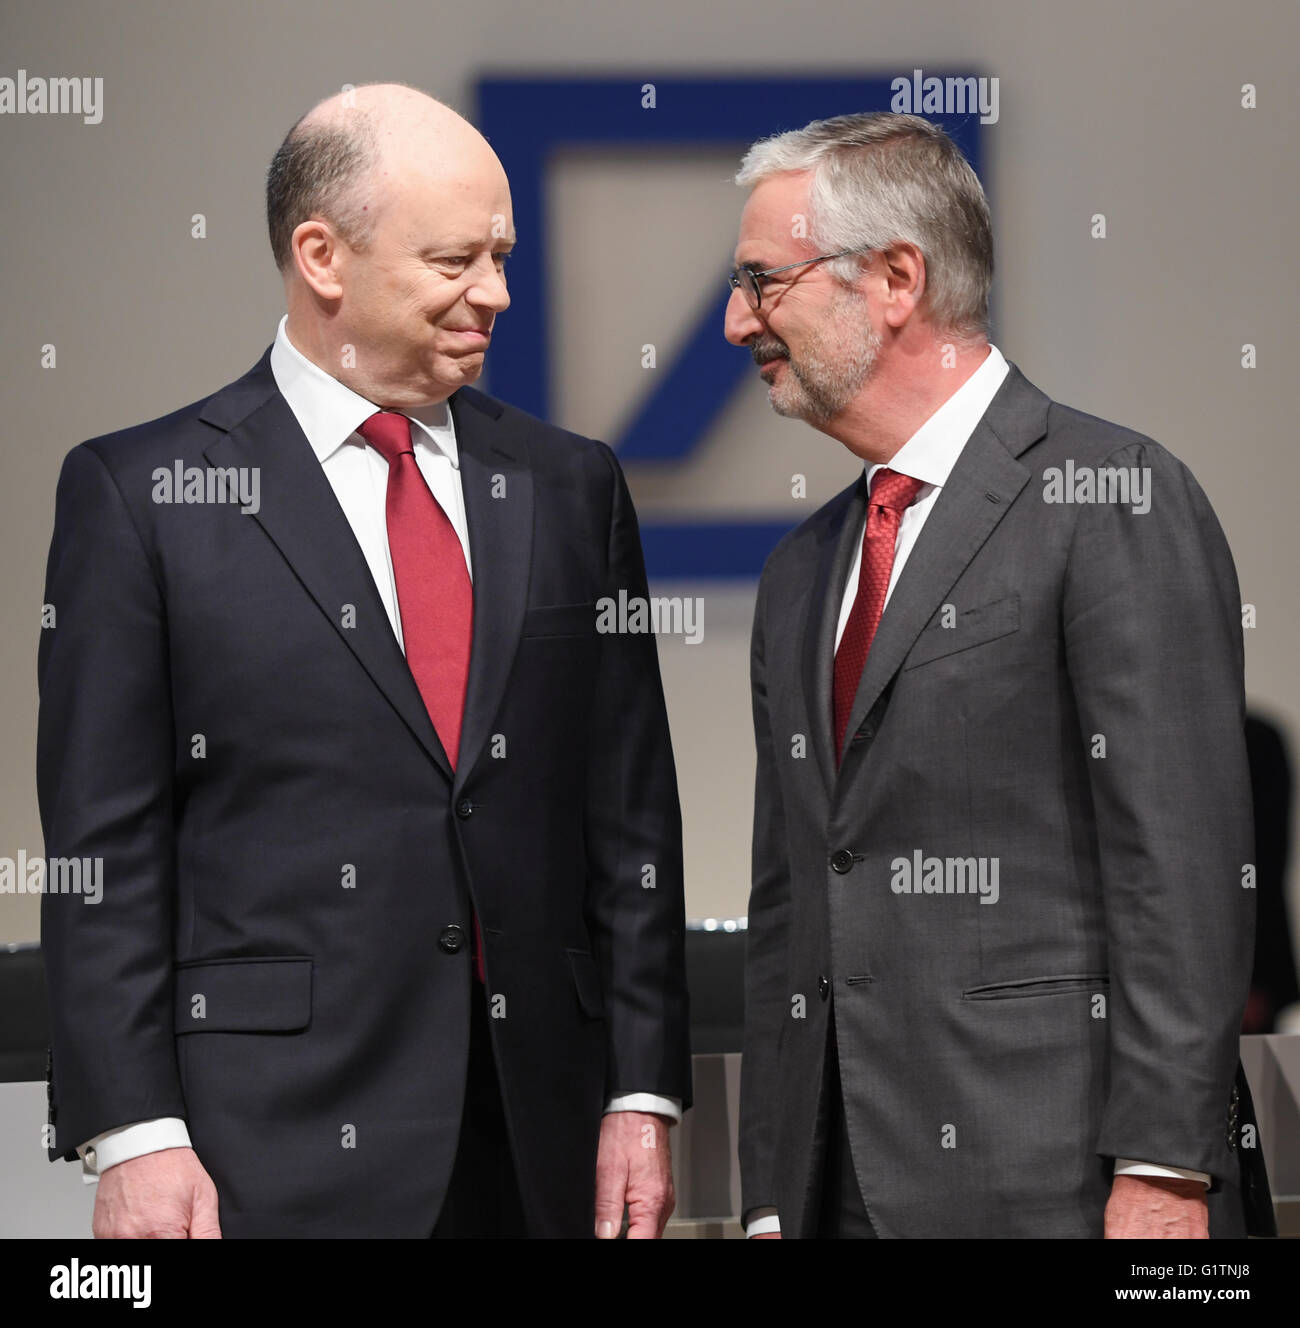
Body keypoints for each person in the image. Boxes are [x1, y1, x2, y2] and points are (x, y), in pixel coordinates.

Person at [37, 83, 690, 1239]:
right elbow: (107, 844)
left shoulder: (569, 481)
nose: (492, 292)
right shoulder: (142, 496)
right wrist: (135, 1130)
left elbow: (629, 813)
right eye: (454, 258)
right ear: (321, 255)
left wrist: (642, 1090)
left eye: (500, 255)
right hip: (262, 1146)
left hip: (541, 1139)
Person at [727, 111, 1269, 1238]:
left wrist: (1166, 1166)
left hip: (1065, 1180)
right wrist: (775, 1188)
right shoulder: (799, 571)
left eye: (763, 282)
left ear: (892, 277)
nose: (739, 321)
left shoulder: (1109, 495)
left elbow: (1179, 859)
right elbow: (793, 891)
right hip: (840, 1185)